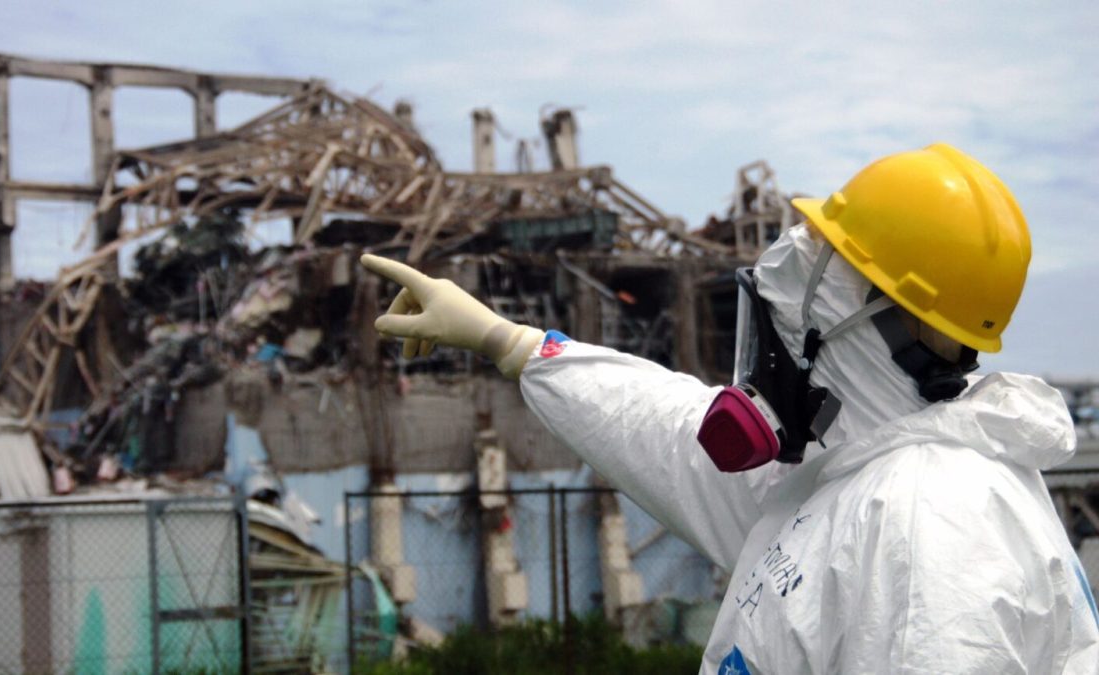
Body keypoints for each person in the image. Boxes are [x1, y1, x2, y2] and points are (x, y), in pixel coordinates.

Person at [360, 143, 1099, 674]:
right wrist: (510, 340)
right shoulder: (855, 468)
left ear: (851, 309)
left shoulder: (929, 529)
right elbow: (666, 430)